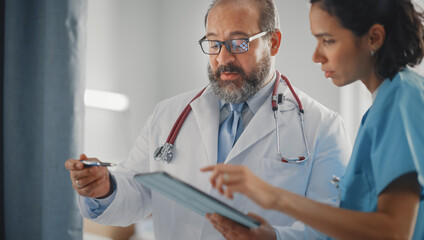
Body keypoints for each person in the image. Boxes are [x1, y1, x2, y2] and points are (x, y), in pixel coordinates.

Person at [65, 0, 352, 239]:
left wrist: (274, 237)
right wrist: (105, 189)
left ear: (273, 42)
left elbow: (335, 228)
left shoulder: (321, 126)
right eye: (213, 43)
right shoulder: (169, 115)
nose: (223, 58)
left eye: (238, 43)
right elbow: (138, 193)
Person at [202, 0, 424, 239]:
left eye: (328, 41)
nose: (316, 56)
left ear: (374, 38)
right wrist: (273, 236)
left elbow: (394, 231)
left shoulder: (402, 98)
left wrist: (274, 197)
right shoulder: (383, 105)